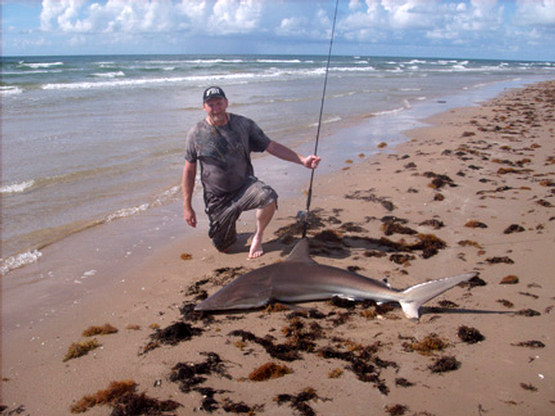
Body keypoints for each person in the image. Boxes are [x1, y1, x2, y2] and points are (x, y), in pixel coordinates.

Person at [182, 86, 321, 259]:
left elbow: (271, 146)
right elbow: (189, 170)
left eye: (219, 103)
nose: (216, 108)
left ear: (226, 103)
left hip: (244, 188)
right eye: (211, 104)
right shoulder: (195, 134)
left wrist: (301, 160)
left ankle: (257, 236)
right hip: (217, 198)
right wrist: (187, 206)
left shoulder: (244, 125)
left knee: (267, 196)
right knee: (224, 247)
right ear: (204, 107)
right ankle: (227, 228)